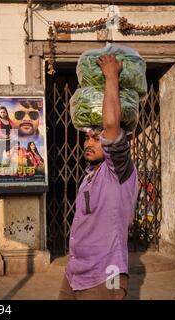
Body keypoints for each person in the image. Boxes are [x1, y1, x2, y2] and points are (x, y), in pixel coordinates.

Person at [59, 54, 138, 300]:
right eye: (87, 137)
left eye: (97, 137)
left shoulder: (120, 170)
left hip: (105, 276)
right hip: (74, 273)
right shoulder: (90, 174)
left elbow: (112, 125)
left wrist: (111, 76)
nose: (89, 143)